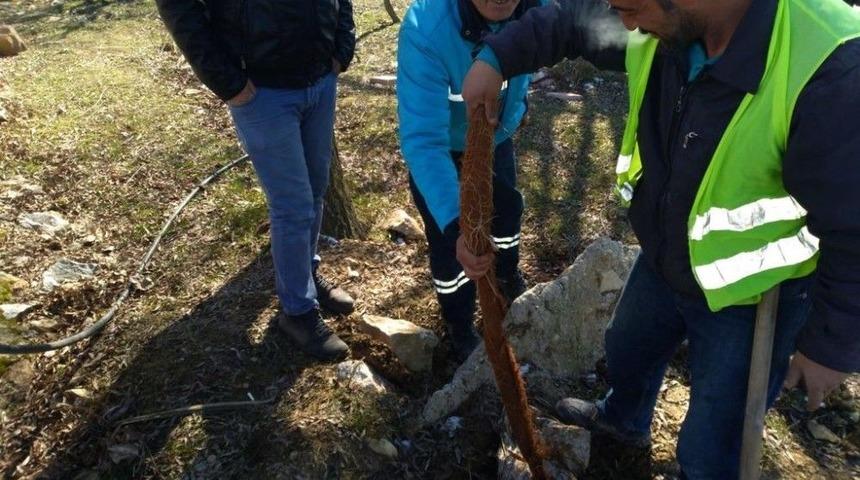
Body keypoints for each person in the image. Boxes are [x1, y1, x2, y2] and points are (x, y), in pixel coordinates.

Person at [461, 0, 860, 477]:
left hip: (751, 292)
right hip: (666, 255)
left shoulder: (831, 68)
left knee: (715, 433)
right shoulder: (659, 17)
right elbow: (570, 22)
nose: (623, 23)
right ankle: (622, 423)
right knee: (628, 348)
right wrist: (496, 59)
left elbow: (853, 227)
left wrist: (830, 347)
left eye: (630, 9)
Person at [155, 0, 357, 361]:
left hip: (320, 79)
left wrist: (342, 47)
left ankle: (305, 277)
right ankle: (297, 312)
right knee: (293, 205)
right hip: (262, 91)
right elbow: (178, 7)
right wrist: (227, 81)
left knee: (315, 190)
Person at [397, 0, 542, 361]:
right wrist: (455, 222)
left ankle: (507, 277)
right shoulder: (426, 28)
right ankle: (460, 323)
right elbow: (424, 141)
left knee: (507, 213)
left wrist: (517, 110)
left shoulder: (538, 10)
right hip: (443, 151)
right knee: (452, 248)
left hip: (497, 139)